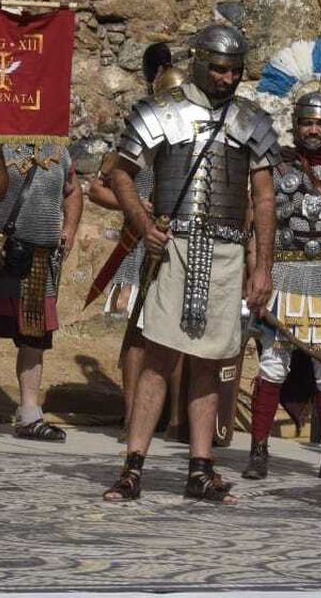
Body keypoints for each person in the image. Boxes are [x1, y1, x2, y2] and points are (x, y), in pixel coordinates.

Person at [101, 24, 280, 502]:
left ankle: (200, 469)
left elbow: (263, 199)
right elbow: (121, 173)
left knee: (211, 361)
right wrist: (142, 222)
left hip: (226, 251)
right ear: (200, 63)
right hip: (174, 246)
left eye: (235, 71)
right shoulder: (163, 111)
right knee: (158, 359)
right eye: (219, 69)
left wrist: (262, 267)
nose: (227, 79)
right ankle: (133, 465)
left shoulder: (252, 121)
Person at [242, 91, 321, 483]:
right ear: (296, 124)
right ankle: (258, 451)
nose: (313, 130)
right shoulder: (275, 164)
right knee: (273, 364)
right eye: (306, 123)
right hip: (284, 272)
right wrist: (255, 273)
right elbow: (252, 225)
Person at [85, 43, 180, 429]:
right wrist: (134, 207)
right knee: (138, 332)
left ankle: (174, 421)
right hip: (139, 243)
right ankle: (131, 416)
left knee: (175, 334)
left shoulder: (191, 135)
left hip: (176, 240)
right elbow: (97, 188)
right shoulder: (137, 132)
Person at [0, 141, 82, 442]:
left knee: (34, 340)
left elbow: (73, 191)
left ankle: (29, 415)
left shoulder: (60, 151)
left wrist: (68, 229)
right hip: (0, 255)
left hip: (41, 258)